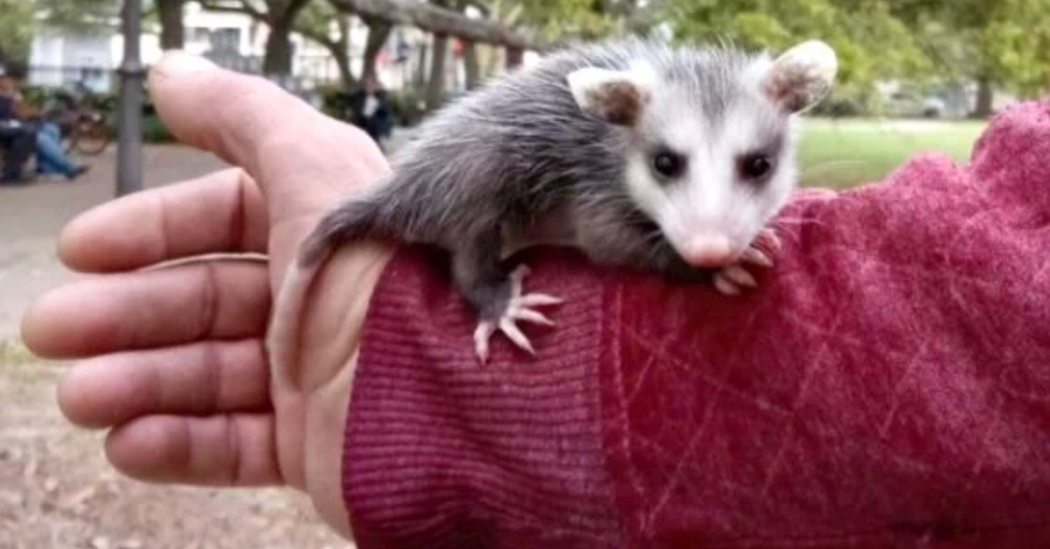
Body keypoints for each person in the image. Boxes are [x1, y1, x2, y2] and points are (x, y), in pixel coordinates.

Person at [20, 52, 1050, 548]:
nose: (712, 221)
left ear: (788, 115)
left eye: (752, 174)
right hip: (469, 198)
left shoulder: (714, 130)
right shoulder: (615, 152)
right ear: (627, 127)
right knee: (492, 204)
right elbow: (610, 232)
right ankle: (481, 288)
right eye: (673, 171)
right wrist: (688, 266)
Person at [0, 74, 89, 181]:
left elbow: (23, 113)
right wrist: (9, 100)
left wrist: (23, 106)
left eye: (11, 82)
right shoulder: (5, 98)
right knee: (41, 138)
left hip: (20, 124)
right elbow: (5, 116)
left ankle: (46, 168)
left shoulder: (14, 96)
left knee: (51, 129)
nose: (10, 84)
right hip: (10, 129)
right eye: (7, 81)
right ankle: (69, 167)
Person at [348, 75, 394, 151]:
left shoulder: (381, 96)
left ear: (375, 86)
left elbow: (386, 111)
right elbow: (356, 110)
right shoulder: (359, 95)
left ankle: (381, 141)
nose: (369, 87)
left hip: (376, 121)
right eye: (367, 85)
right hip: (362, 120)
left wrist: (378, 104)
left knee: (380, 122)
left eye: (372, 85)